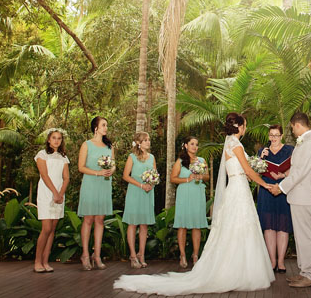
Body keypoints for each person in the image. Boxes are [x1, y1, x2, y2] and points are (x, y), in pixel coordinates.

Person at [114, 112, 275, 295]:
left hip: (239, 188)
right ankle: (237, 272)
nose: (245, 128)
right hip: (238, 188)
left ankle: (241, 270)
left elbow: (246, 168)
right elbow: (246, 169)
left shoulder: (231, 143)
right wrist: (266, 184)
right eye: (244, 125)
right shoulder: (235, 145)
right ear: (238, 126)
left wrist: (258, 165)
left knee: (238, 228)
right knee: (239, 227)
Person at [268, 112, 311, 288]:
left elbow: (300, 173)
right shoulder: (304, 143)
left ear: (297, 125)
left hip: (303, 195)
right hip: (297, 196)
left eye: (292, 127)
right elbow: (295, 169)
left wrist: (281, 187)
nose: (292, 130)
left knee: (307, 236)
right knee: (300, 237)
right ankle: (305, 272)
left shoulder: (310, 144)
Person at [77, 116, 115, 271]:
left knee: (100, 219)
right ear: (96, 128)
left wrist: (110, 170)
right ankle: (85, 255)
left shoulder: (109, 146)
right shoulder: (86, 145)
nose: (106, 128)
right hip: (91, 184)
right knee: (88, 219)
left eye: (107, 125)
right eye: (103, 125)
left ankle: (97, 256)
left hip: (105, 185)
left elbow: (113, 165)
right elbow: (81, 167)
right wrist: (97, 173)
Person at [257, 125, 294, 273]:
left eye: (276, 135)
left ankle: (281, 261)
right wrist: (261, 158)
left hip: (283, 188)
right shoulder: (262, 151)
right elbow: (256, 171)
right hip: (266, 189)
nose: (273, 138)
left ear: (282, 136)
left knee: (282, 225)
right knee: (269, 226)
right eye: (271, 135)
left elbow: (295, 168)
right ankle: (272, 261)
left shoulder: (289, 150)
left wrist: (283, 175)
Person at [33, 128, 70, 273]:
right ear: (49, 140)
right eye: (54, 138)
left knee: (53, 229)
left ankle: (45, 261)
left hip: (59, 195)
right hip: (46, 194)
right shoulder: (41, 155)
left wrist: (60, 193)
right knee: (46, 228)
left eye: (59, 138)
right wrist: (55, 193)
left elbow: (66, 178)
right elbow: (44, 175)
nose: (56, 140)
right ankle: (37, 261)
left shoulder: (63, 157)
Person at [170, 136, 209, 268]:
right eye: (192, 144)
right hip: (184, 193)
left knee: (196, 225)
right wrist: (188, 179)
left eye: (196, 144)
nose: (194, 146)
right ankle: (182, 255)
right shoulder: (180, 161)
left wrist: (201, 176)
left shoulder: (202, 160)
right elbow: (173, 178)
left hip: (198, 193)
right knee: (183, 225)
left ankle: (195, 255)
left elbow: (208, 176)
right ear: (186, 145)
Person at [122, 132, 156, 269]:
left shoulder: (152, 157)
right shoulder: (132, 157)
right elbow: (125, 176)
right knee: (133, 223)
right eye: (145, 140)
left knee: (144, 224)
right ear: (139, 143)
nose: (148, 142)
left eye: (148, 139)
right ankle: (132, 255)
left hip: (148, 193)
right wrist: (141, 185)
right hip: (135, 192)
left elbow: (155, 174)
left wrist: (151, 184)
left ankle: (141, 254)